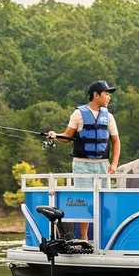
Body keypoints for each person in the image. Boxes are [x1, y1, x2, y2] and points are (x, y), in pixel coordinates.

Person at [47, 80, 121, 240]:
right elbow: (67, 137)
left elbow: (116, 141)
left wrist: (114, 163)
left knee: (104, 202)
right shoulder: (78, 114)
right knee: (84, 202)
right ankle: (84, 238)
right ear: (96, 95)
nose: (109, 97)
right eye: (106, 94)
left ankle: (104, 238)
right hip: (82, 165)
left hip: (102, 165)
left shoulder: (109, 117)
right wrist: (55, 135)